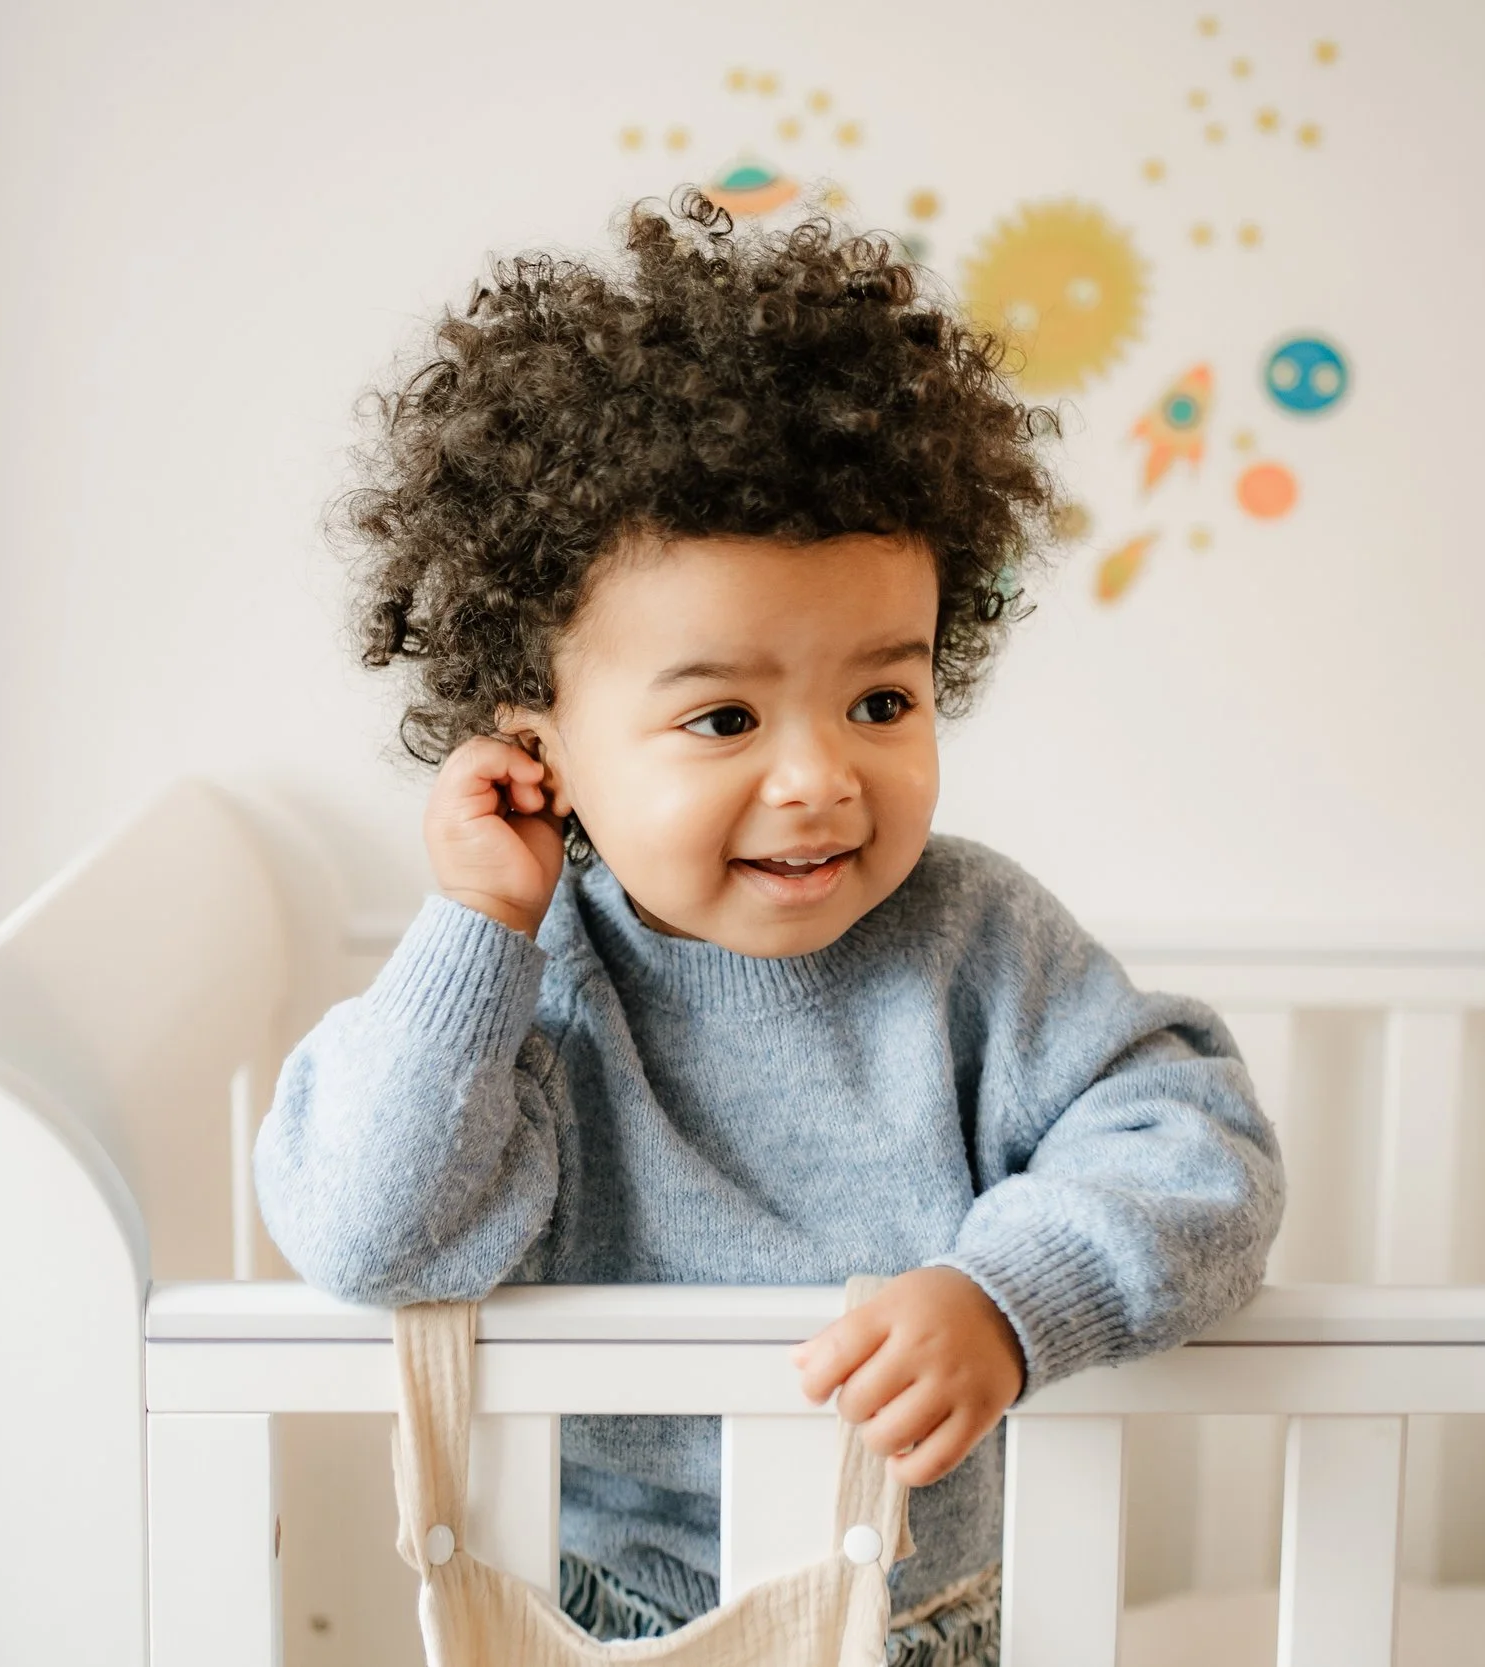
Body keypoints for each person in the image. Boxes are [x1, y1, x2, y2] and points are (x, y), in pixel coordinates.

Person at [253, 188, 1285, 1665]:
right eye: (724, 714)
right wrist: (479, 922)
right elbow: (368, 1232)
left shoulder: (979, 943)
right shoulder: (529, 981)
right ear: (544, 746)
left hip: (922, 1616)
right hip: (592, 1620)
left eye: (883, 698)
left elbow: (1202, 1147)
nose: (819, 777)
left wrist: (1008, 1296)